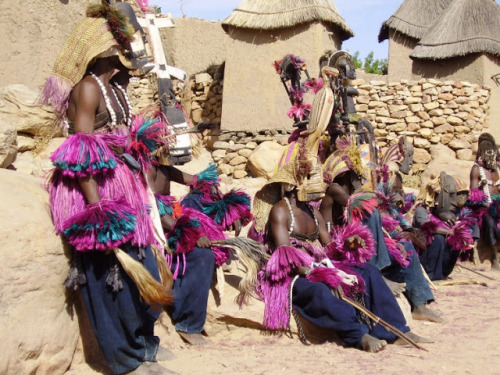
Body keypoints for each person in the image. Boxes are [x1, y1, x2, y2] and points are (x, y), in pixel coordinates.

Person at [41, 3, 175, 374]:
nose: (131, 50)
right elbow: (81, 150)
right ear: (106, 48)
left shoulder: (114, 88)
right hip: (94, 193)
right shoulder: (87, 89)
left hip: (123, 190)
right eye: (123, 44)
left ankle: (142, 342)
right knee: (108, 275)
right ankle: (124, 360)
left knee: (144, 266)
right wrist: (97, 210)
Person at [250, 147, 431, 353]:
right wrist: (323, 275)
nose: (316, 183)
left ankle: (398, 330)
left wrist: (348, 245)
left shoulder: (312, 210)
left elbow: (329, 247)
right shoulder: (280, 211)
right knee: (320, 291)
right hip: (295, 274)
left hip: (320, 265)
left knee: (369, 272)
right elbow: (286, 260)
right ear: (295, 181)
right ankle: (358, 335)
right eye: (310, 177)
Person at [320, 139, 442, 323]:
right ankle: (378, 272)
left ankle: (420, 305)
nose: (360, 177)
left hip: (358, 243)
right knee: (370, 212)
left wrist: (390, 243)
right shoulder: (335, 189)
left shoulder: (351, 191)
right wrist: (382, 194)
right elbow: (362, 204)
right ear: (347, 175)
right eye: (357, 173)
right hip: (339, 246)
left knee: (406, 249)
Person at [413, 173, 473, 280]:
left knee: (457, 239)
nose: (454, 202)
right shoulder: (421, 210)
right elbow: (427, 226)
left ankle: (443, 271)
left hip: (442, 266)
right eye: (450, 196)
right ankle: (430, 273)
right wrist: (449, 232)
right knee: (438, 238)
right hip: (422, 257)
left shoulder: (447, 217)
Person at [469, 132, 500, 269]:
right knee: (490, 222)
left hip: (497, 203)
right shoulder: (477, 170)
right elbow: (473, 195)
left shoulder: (498, 169)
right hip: (484, 206)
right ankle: (496, 256)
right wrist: (486, 202)